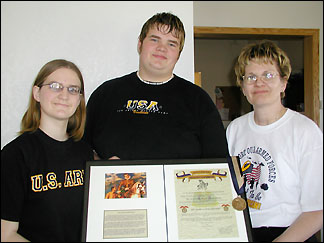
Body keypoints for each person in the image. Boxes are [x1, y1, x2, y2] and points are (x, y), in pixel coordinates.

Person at [83, 12, 229, 160]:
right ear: (140, 44)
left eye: (171, 43)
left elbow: (219, 162)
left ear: (178, 54)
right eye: (155, 39)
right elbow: (79, 149)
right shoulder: (105, 94)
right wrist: (102, 169)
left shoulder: (199, 100)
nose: (161, 48)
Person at [226, 40, 323, 242]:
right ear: (242, 87)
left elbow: (318, 210)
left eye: (268, 75)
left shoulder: (304, 131)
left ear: (283, 83)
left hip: (292, 234)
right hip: (245, 231)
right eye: (251, 77)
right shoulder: (235, 129)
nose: (259, 83)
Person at [1, 59, 94, 242]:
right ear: (37, 93)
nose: (64, 95)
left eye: (73, 89)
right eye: (55, 86)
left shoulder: (85, 152)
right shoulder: (15, 155)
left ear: (79, 99)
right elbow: (5, 234)